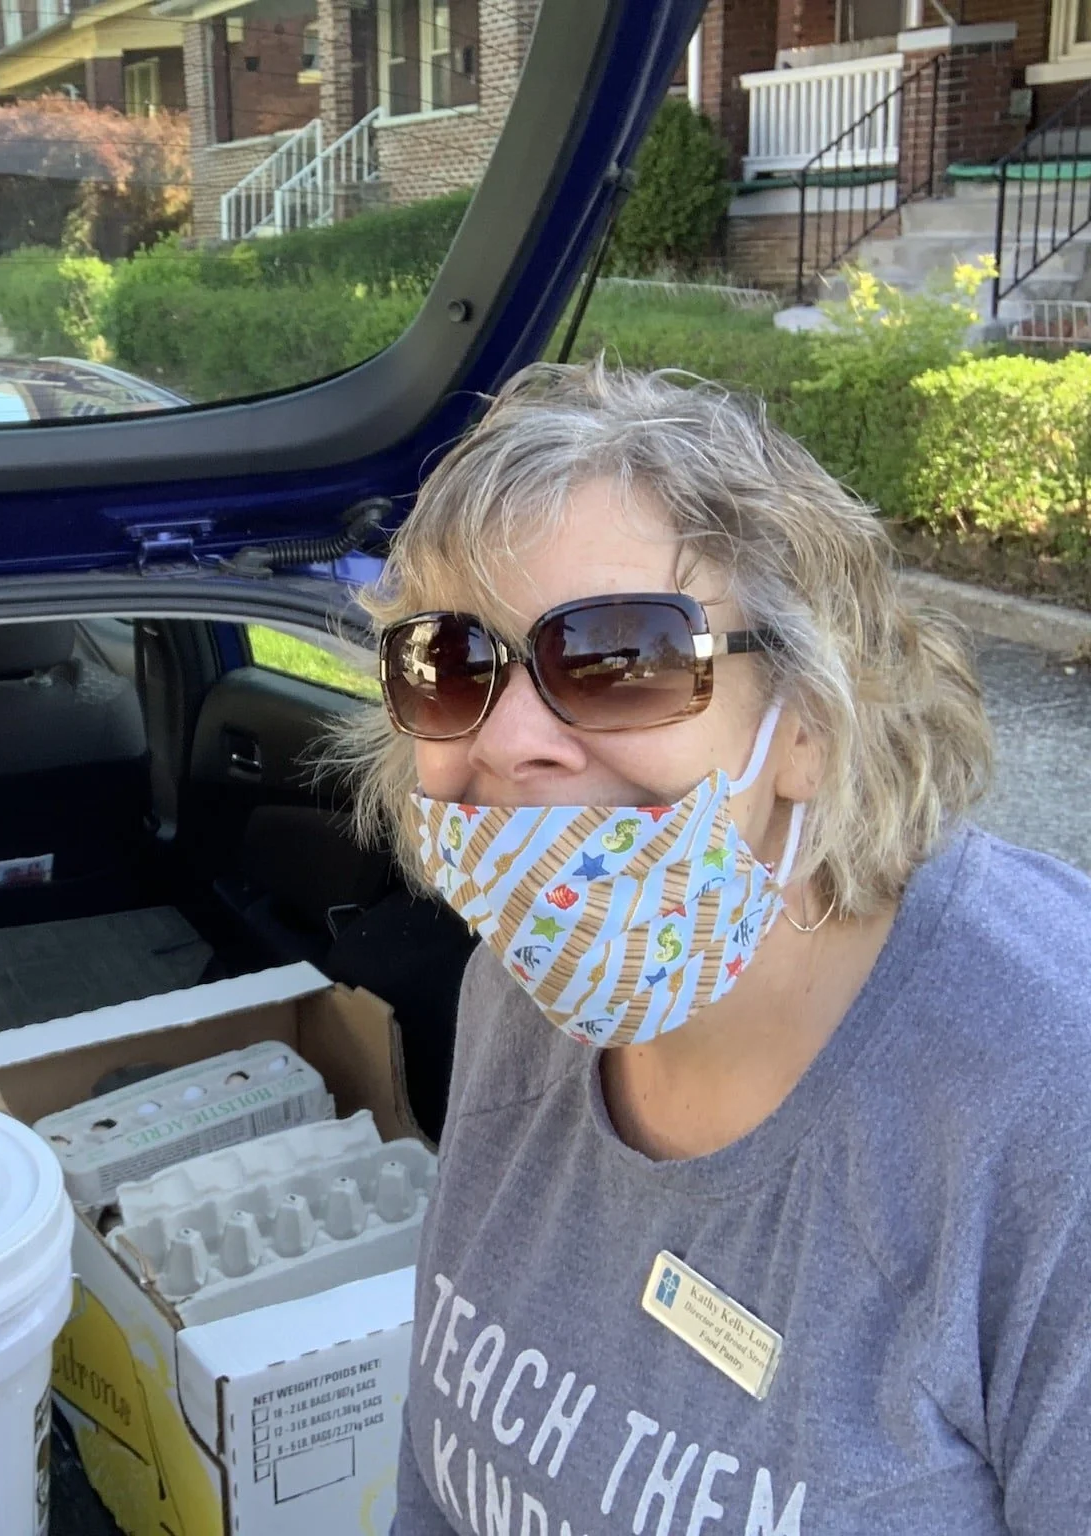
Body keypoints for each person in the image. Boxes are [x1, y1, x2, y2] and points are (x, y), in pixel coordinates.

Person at [347, 363, 1091, 1533]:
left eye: (619, 655)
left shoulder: (1053, 1112)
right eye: (450, 662)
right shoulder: (521, 981)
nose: (509, 738)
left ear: (808, 722)